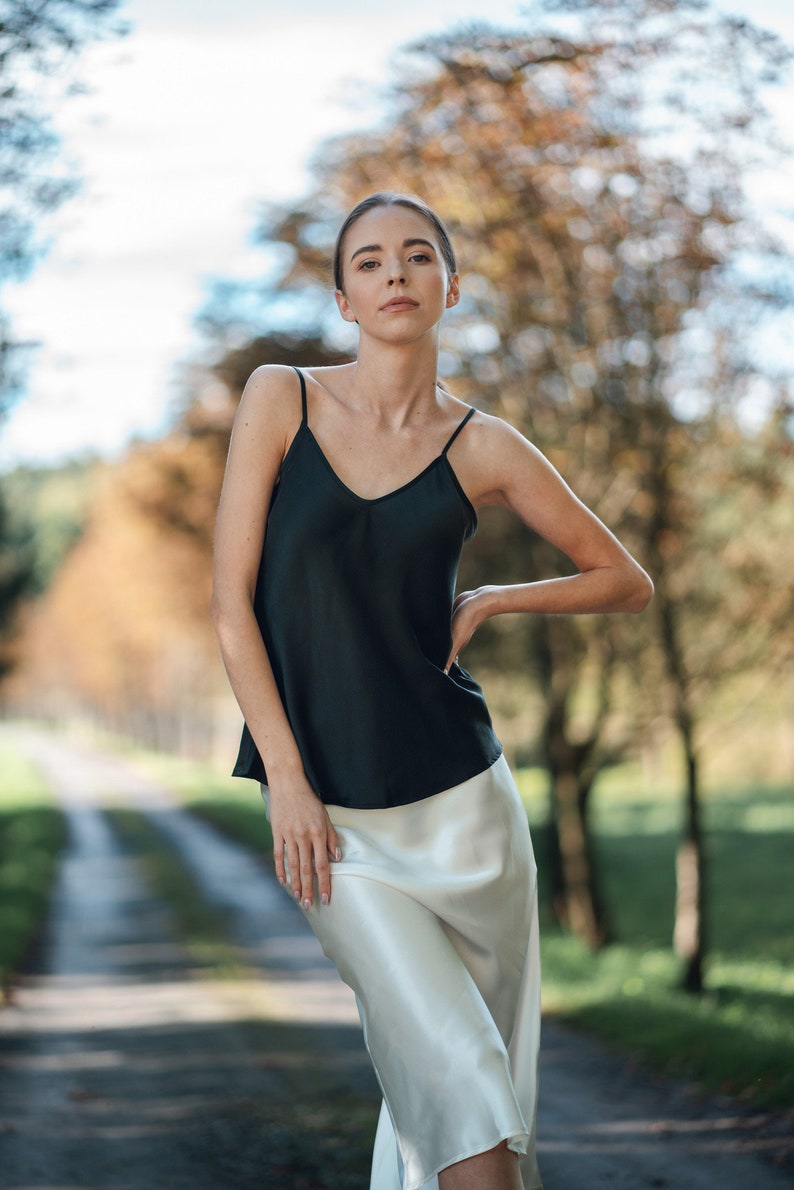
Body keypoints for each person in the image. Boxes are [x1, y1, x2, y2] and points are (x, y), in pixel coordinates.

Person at [210, 191, 653, 1190]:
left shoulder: (483, 444)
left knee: (468, 1094)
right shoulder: (280, 397)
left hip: (466, 812)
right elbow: (230, 606)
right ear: (344, 297)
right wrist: (284, 776)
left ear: (450, 288)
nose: (394, 272)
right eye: (369, 261)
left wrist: (495, 596)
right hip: (330, 819)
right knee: (463, 1098)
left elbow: (624, 578)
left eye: (417, 256)